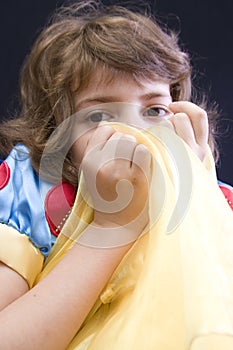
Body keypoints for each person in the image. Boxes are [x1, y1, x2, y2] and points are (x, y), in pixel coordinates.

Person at [0, 1, 232, 349]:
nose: (134, 132)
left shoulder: (221, 204)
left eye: (155, 110)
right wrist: (114, 227)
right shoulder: (34, 195)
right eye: (99, 117)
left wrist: (197, 195)